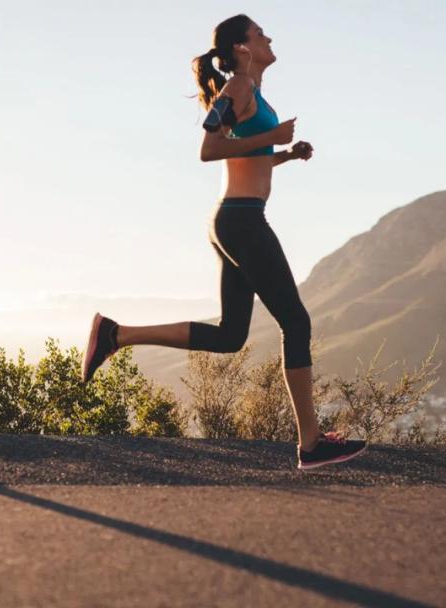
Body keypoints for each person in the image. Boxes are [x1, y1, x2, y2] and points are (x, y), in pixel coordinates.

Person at [81, 14, 366, 470]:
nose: (269, 37)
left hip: (236, 218)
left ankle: (117, 334)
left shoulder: (251, 92)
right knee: (296, 321)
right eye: (259, 33)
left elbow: (247, 159)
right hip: (242, 221)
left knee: (233, 335)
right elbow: (208, 149)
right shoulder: (239, 88)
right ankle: (311, 444)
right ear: (241, 48)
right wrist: (274, 137)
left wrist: (285, 154)